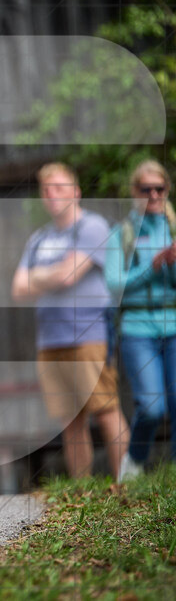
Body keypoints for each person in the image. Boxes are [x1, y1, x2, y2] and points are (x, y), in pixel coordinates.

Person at [11, 163, 129, 479]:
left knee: (105, 409)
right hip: (50, 340)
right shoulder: (39, 238)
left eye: (60, 188)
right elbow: (17, 288)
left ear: (76, 192)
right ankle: (83, 491)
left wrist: (38, 276)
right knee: (70, 420)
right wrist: (49, 275)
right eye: (47, 191)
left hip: (88, 335)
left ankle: (125, 486)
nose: (53, 195)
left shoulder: (92, 227)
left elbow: (68, 275)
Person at [105, 159, 176, 480]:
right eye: (145, 189)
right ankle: (133, 466)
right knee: (151, 407)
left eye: (158, 188)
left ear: (167, 189)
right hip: (137, 329)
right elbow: (115, 284)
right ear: (135, 191)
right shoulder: (122, 233)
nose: (153, 194)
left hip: (173, 325)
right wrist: (154, 267)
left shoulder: (173, 228)